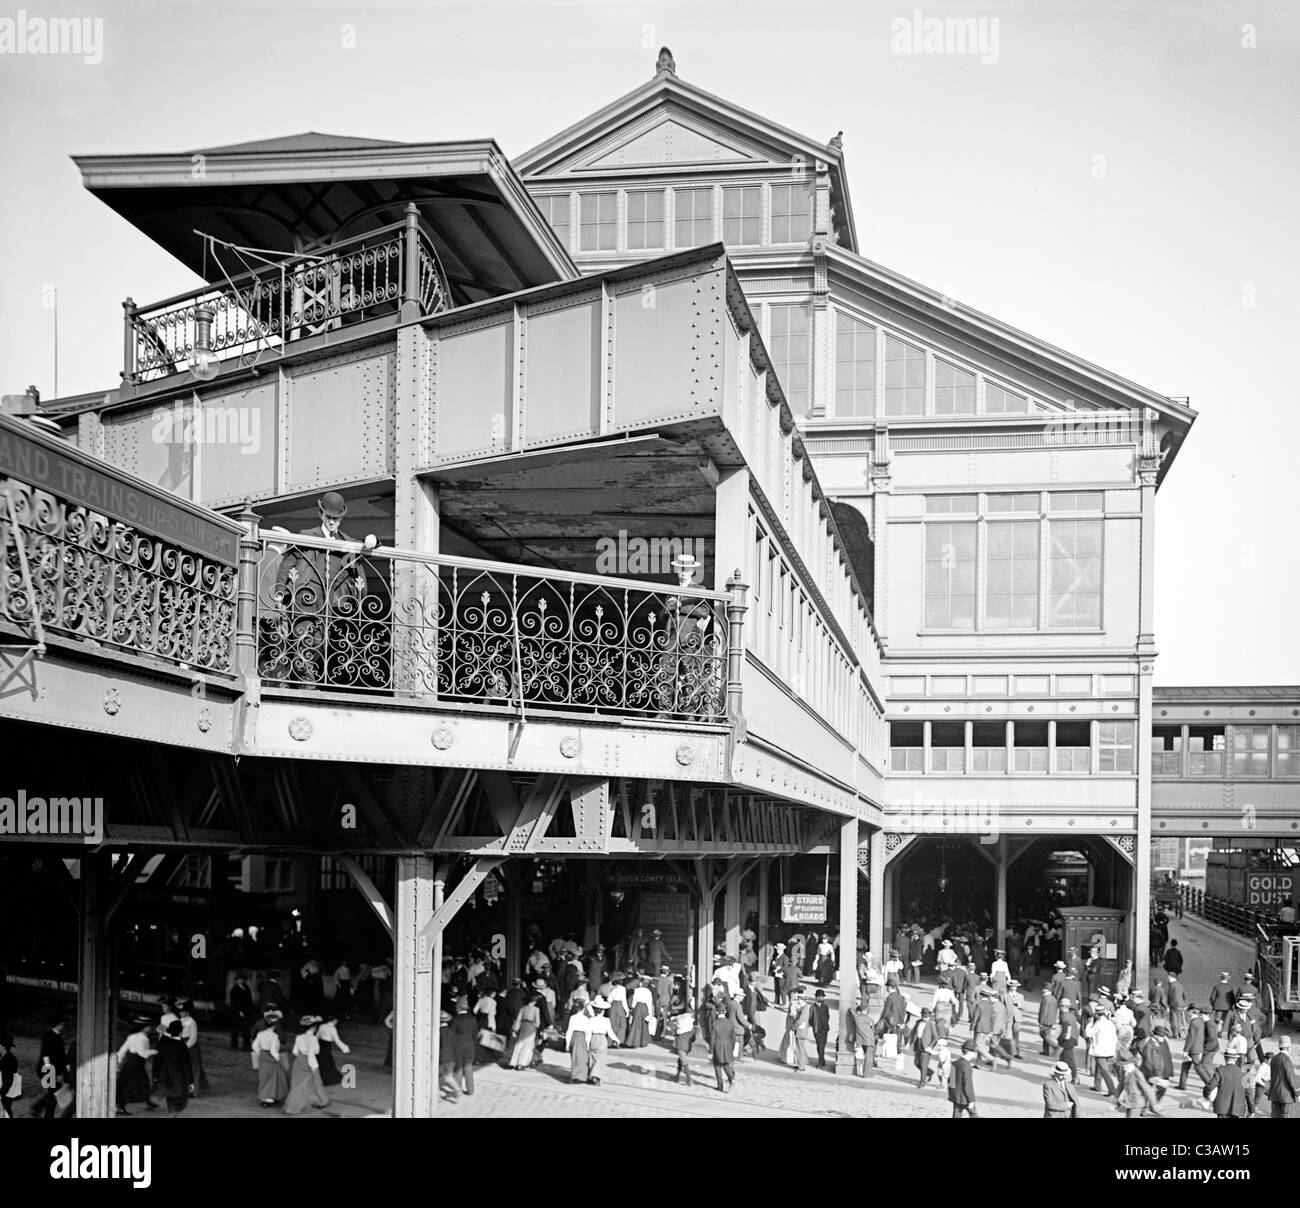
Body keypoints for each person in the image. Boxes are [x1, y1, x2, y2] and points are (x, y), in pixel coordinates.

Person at [268, 490, 379, 686]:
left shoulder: (346, 541)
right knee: (303, 637)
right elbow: (287, 564)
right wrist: (280, 593)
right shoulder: (306, 535)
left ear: (341, 519)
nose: (332, 522)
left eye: (336, 519)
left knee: (320, 642)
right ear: (321, 515)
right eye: (329, 517)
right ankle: (308, 684)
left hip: (329, 599)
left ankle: (294, 679)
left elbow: (368, 548)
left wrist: (372, 539)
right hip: (305, 594)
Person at [283, 1017, 330, 1114]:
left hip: (299, 1062)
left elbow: (295, 1051)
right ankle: (321, 1101)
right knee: (315, 1083)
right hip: (309, 1062)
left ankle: (293, 1105)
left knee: (297, 1085)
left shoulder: (299, 1037)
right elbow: (313, 1053)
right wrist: (313, 1066)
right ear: (313, 1028)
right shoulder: (312, 1039)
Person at [154, 1019, 195, 1118]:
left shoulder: (162, 1043)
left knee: (170, 1097)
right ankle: (171, 1115)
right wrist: (190, 1082)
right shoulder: (181, 1046)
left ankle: (171, 1113)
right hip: (178, 1077)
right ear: (180, 1032)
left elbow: (157, 1061)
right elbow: (186, 1065)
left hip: (165, 1076)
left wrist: (155, 1075)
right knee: (182, 1100)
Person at [32, 1016, 68, 1119]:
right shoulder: (48, 1036)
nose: (63, 1025)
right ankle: (44, 1113)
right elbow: (45, 1054)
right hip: (49, 1069)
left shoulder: (58, 1036)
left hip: (54, 1070)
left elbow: (61, 1055)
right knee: (52, 1094)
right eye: (61, 1023)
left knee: (53, 1092)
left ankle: (37, 1108)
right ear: (57, 1024)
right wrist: (49, 1070)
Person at [252, 1010, 289, 1106]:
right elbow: (273, 1050)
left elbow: (254, 1046)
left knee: (263, 1078)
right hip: (271, 1058)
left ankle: (262, 1096)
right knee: (272, 1079)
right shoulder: (274, 1036)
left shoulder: (260, 1034)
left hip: (262, 1057)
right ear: (274, 1025)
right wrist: (278, 1058)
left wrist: (260, 1052)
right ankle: (269, 1098)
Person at [177, 1000, 210, 1095]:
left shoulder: (192, 1022)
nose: (181, 1013)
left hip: (191, 1046)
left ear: (188, 1012)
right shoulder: (179, 1021)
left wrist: (186, 1046)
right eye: (180, 1011)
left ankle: (194, 1090)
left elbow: (193, 1037)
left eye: (183, 1011)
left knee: (194, 1066)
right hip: (181, 1042)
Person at [1085, 1005, 1118, 1096]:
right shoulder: (1110, 1023)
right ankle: (1097, 1085)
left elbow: (1088, 1034)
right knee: (1099, 1069)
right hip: (1109, 1050)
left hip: (1100, 1051)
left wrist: (1089, 1024)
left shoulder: (1098, 1024)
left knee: (1104, 1071)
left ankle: (1112, 1090)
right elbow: (1115, 1038)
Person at [505, 992, 542, 1070]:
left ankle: (513, 1062)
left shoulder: (523, 1008)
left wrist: (515, 1028)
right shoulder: (536, 1009)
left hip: (523, 1025)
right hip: (531, 1026)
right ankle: (521, 1063)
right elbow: (537, 1022)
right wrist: (537, 1026)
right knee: (527, 1046)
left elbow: (518, 1019)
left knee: (519, 1043)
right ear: (535, 1001)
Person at [1205, 1055, 1249, 1120]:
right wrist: (1251, 1110)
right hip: (1236, 1108)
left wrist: (1205, 1094)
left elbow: (1211, 1086)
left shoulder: (1219, 1070)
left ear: (1225, 1058)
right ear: (1236, 1059)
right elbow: (1249, 1093)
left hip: (1222, 1107)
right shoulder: (1244, 1074)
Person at [843, 995, 876, 1078]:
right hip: (870, 1040)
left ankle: (860, 1072)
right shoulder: (870, 1019)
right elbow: (873, 1030)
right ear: (867, 1010)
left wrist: (856, 1005)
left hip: (860, 1040)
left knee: (860, 1057)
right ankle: (867, 1073)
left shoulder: (857, 1018)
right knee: (868, 1057)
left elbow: (851, 1010)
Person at [710, 1001, 738, 1093]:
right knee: (726, 1064)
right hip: (728, 1045)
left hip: (718, 1045)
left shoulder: (715, 1023)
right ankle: (731, 1079)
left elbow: (712, 1038)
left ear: (717, 1012)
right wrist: (732, 1048)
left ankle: (720, 1086)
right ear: (725, 1012)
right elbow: (733, 1038)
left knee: (717, 1066)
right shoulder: (730, 1023)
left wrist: (710, 1050)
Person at [1267, 1035, 1297, 1119]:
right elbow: (1291, 1079)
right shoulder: (1287, 1060)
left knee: (1275, 1115)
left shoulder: (1273, 1059)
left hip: (1274, 1092)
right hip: (1286, 1095)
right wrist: (1297, 1093)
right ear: (1288, 1048)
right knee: (1285, 1115)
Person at [315, 1015, 351, 1086]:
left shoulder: (322, 1026)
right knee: (328, 1062)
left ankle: (319, 1078)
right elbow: (337, 1040)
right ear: (334, 1021)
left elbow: (317, 1036)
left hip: (320, 1045)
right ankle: (328, 1079)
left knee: (321, 1062)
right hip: (327, 1046)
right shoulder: (332, 1029)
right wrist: (345, 1049)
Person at [779, 988, 809, 1071]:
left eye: (799, 999)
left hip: (800, 1031)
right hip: (799, 1031)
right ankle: (800, 1064)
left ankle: (801, 1066)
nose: (798, 1000)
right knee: (799, 1048)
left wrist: (793, 1026)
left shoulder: (805, 1008)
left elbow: (800, 1020)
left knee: (800, 1049)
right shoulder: (802, 1007)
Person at [949, 1039, 979, 1118]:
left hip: (956, 1096)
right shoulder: (967, 1066)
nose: (974, 1055)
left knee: (956, 1115)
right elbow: (968, 1085)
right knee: (974, 1115)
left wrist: (953, 1093)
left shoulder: (954, 1063)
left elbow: (951, 1082)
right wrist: (971, 1100)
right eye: (974, 1052)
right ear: (970, 1052)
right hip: (965, 1098)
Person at [565, 1002, 592, 1084]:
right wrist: (588, 1044)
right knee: (582, 1058)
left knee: (574, 1057)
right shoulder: (586, 1019)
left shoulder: (572, 1017)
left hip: (574, 1036)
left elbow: (569, 1030)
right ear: (583, 1009)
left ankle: (574, 1076)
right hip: (582, 1037)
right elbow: (588, 1032)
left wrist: (567, 1042)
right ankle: (581, 1076)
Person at [912, 1007, 939, 1088]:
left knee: (924, 1065)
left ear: (929, 1016)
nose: (925, 1018)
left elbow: (935, 1037)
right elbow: (913, 1032)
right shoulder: (918, 1022)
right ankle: (930, 1072)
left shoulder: (931, 1024)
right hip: (918, 1043)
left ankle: (922, 1082)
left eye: (926, 1017)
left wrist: (930, 1047)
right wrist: (909, 1042)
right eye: (923, 1016)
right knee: (917, 1062)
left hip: (926, 1047)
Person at [229, 971, 255, 1051]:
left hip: (246, 1011)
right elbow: (234, 1002)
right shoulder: (234, 989)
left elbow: (249, 1000)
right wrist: (239, 1011)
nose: (241, 981)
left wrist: (251, 1009)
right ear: (237, 980)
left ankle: (246, 1046)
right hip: (237, 1012)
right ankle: (234, 1045)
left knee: (246, 1030)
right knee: (235, 1030)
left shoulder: (246, 988)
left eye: (242, 979)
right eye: (239, 979)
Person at [624, 976, 654, 1048]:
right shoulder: (648, 992)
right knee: (644, 1025)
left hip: (637, 1007)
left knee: (635, 1024)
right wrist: (650, 1013)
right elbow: (649, 1003)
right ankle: (643, 1042)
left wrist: (632, 1008)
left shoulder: (637, 990)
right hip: (645, 1008)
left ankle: (634, 1041)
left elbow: (634, 1001)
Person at [810, 988, 832, 1070]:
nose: (820, 998)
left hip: (824, 1029)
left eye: (822, 997)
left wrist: (825, 1025)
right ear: (816, 997)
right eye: (818, 997)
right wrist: (814, 1025)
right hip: (816, 1029)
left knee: (822, 1045)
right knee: (819, 1045)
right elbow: (810, 1018)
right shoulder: (812, 1007)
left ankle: (820, 1062)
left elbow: (827, 1016)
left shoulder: (826, 1006)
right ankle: (821, 1061)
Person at [0, 1033, 18, 1119]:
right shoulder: (3, 1057)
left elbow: (8, 1080)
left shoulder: (8, 1060)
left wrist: (1, 1093)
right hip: (5, 1089)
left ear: (2, 1046)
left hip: (5, 1091)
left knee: (5, 1110)